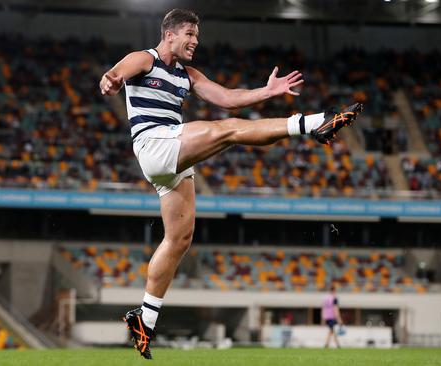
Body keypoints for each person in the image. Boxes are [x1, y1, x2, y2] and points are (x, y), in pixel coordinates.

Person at [100, 9, 362, 359]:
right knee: (229, 130)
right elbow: (115, 74)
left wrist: (267, 91)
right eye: (190, 33)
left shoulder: (187, 75)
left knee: (179, 239)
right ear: (169, 34)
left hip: (173, 156)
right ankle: (315, 123)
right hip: (155, 144)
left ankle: (144, 319)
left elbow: (227, 98)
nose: (196, 40)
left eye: (197, 34)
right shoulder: (144, 59)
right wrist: (111, 81)